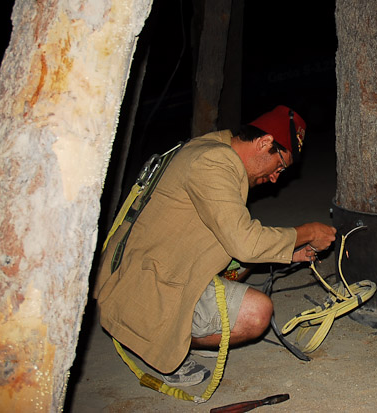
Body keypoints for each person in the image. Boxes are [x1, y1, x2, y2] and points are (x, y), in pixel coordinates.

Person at [94, 105, 336, 386]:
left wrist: (288, 253)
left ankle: (175, 332)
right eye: (280, 165)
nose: (275, 177)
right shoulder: (213, 163)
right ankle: (160, 343)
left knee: (246, 260)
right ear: (264, 142)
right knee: (257, 313)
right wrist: (307, 232)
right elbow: (245, 242)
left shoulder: (212, 149)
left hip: (151, 269)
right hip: (143, 288)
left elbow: (233, 242)